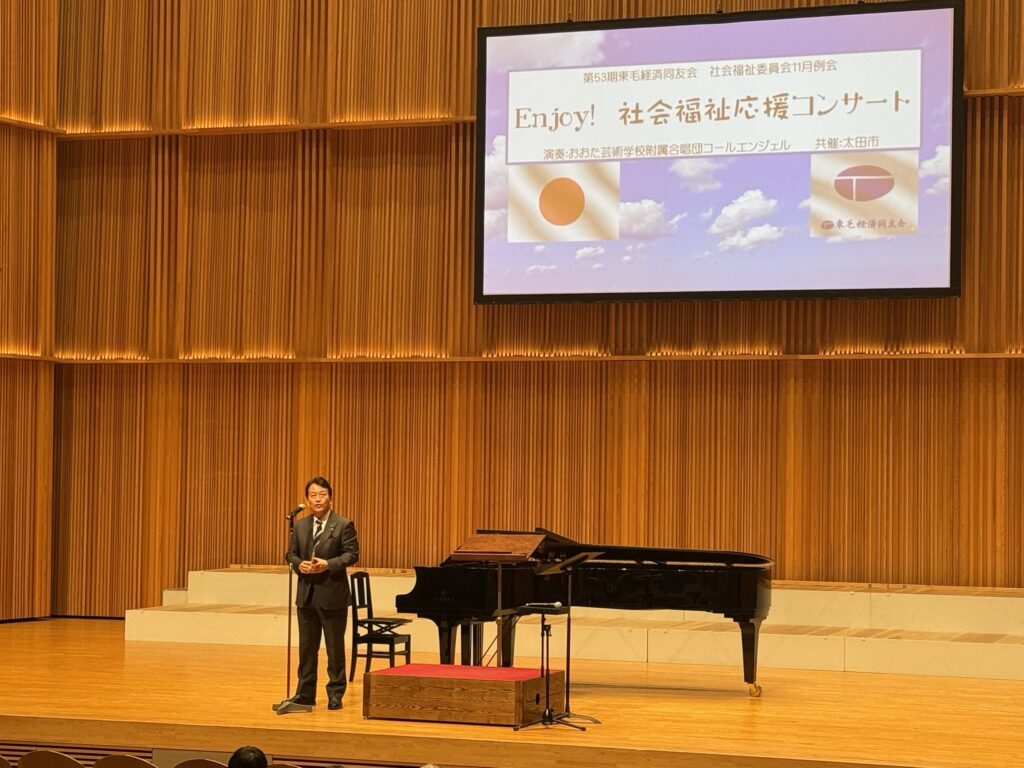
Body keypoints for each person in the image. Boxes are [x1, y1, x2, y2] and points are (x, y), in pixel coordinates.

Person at [284, 475, 359, 710]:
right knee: (307, 648)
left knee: (334, 648)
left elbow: (352, 554)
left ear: (330, 498)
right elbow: (290, 554)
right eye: (313, 495)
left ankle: (335, 693)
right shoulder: (300, 525)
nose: (318, 499)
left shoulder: (343, 524)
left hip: (332, 595)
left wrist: (328, 564)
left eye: (322, 495)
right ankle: (305, 693)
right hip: (306, 595)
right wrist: (300, 565)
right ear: (307, 500)